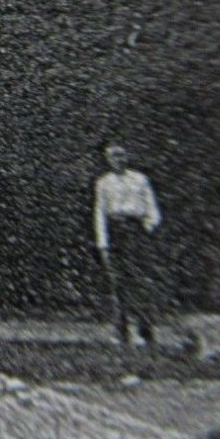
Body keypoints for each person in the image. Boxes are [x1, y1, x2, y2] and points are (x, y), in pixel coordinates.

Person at [93, 143, 163, 347]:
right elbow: (100, 212)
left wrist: (148, 226)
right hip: (115, 231)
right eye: (112, 156)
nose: (117, 159)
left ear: (127, 156)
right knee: (118, 283)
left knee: (141, 281)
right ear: (107, 159)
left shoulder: (140, 179)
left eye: (120, 155)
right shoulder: (103, 183)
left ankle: (145, 332)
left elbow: (152, 206)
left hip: (136, 230)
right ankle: (121, 333)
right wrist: (103, 243)